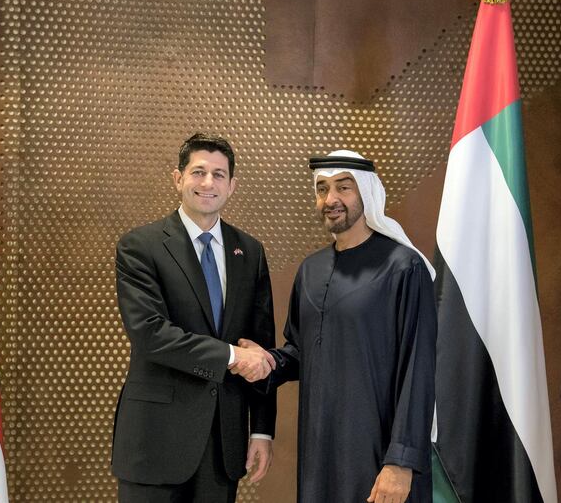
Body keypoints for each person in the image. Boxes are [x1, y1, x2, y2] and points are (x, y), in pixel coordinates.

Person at [239, 150, 437, 503]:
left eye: (343, 188)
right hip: (320, 453)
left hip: (380, 457)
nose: (330, 199)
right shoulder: (311, 270)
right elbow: (303, 350)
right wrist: (268, 361)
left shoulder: (403, 267)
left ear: (366, 193)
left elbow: (418, 369)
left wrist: (401, 463)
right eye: (322, 189)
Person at [111, 133, 277, 503]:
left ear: (232, 186)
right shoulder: (141, 246)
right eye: (198, 172)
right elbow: (150, 334)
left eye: (219, 175)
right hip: (154, 444)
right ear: (178, 178)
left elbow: (261, 346)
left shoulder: (249, 251)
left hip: (223, 446)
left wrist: (262, 430)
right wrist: (232, 356)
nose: (208, 183)